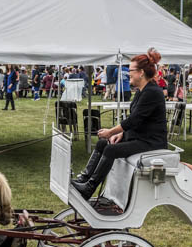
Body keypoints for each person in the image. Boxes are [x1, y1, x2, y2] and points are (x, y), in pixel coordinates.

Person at [71, 48, 167, 200]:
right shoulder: (143, 90)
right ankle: (84, 179)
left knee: (111, 150)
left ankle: (88, 189)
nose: (129, 73)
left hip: (151, 142)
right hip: (140, 137)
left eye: (131, 70)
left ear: (141, 72)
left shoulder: (152, 92)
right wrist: (121, 133)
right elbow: (137, 119)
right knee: (103, 144)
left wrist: (111, 132)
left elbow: (133, 120)